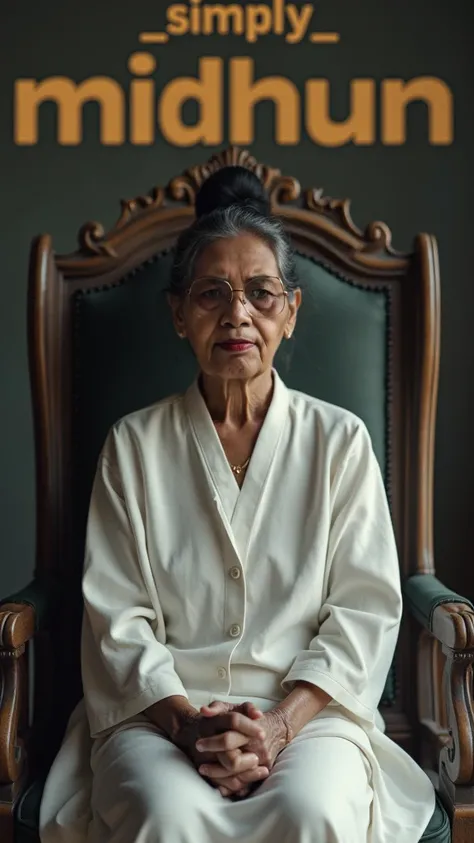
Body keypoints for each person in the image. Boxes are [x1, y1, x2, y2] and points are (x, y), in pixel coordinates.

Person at [39, 166, 436, 843]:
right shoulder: (133, 445)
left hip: (310, 717)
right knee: (164, 814)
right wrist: (189, 725)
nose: (237, 314)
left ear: (292, 311)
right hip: (160, 715)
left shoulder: (339, 441)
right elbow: (118, 618)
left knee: (311, 810)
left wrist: (279, 724)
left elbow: (365, 610)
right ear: (177, 313)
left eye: (261, 293)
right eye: (212, 293)